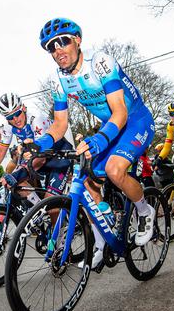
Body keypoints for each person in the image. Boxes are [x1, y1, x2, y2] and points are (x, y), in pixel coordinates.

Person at [35, 17, 157, 269]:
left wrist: (100, 139)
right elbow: (59, 125)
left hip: (134, 120)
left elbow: (120, 111)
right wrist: (38, 144)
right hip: (111, 125)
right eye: (51, 46)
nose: (57, 49)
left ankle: (145, 211)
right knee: (88, 182)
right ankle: (101, 243)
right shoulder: (59, 78)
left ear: (77, 41)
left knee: (113, 170)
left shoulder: (100, 63)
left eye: (63, 41)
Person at [0, 93, 73, 200]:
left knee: (52, 205)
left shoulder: (36, 119)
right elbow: (0, 151)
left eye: (17, 113)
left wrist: (17, 175)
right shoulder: (7, 127)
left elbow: (41, 157)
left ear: (24, 108)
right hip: (41, 158)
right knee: (13, 184)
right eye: (10, 117)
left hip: (59, 157)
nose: (16, 119)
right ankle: (40, 212)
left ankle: (48, 209)